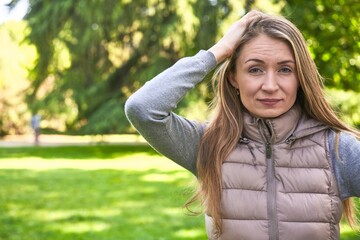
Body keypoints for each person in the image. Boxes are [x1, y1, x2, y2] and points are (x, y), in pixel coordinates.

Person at [125, 10, 360, 240]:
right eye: (255, 69)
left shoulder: (337, 149)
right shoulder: (208, 145)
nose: (270, 85)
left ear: (300, 78)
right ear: (233, 78)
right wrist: (218, 51)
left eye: (285, 70)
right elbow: (143, 109)